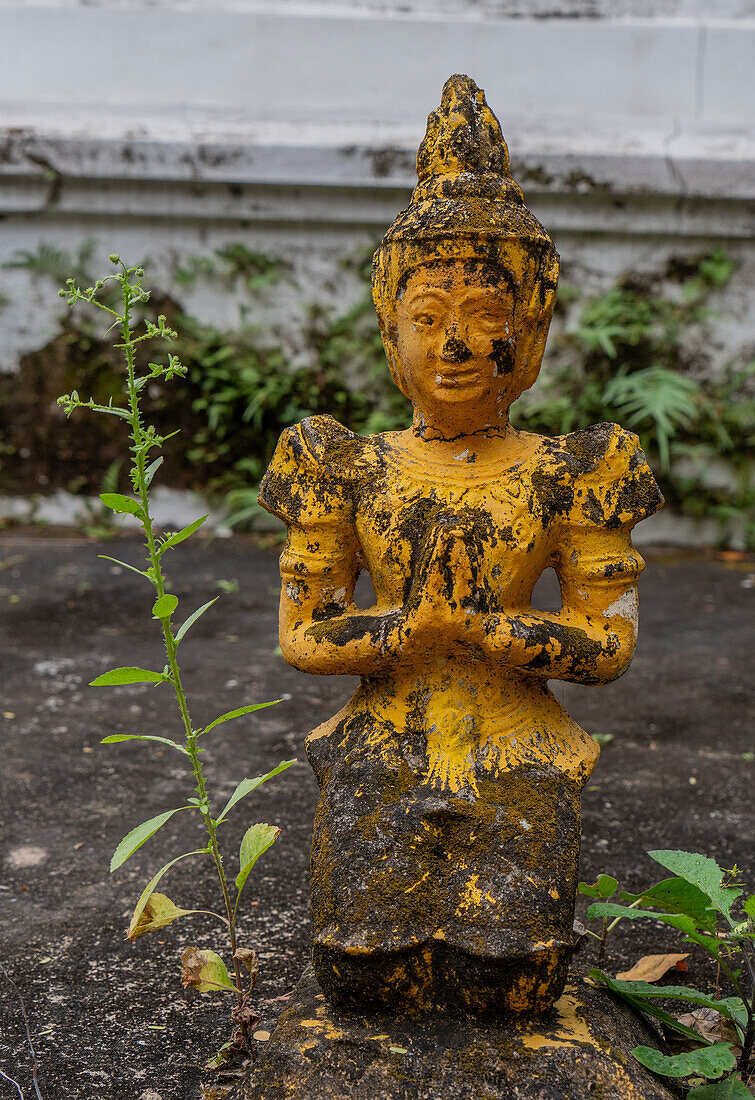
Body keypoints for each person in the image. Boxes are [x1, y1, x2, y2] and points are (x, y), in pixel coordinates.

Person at [259, 74, 663, 1015]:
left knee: (508, 986)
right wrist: (408, 630)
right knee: (358, 978)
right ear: (388, 328)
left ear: (530, 332)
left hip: (517, 748)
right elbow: (304, 637)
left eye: (486, 320)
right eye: (428, 319)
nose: (454, 347)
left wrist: (491, 632)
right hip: (382, 748)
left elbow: (607, 645)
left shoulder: (575, 470)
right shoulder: (343, 464)